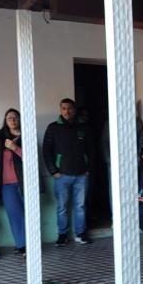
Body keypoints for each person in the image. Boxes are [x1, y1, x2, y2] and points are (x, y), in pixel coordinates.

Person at [43, 98, 91, 246]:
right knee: (62, 207)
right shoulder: (53, 128)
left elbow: (91, 150)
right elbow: (46, 151)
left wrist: (89, 169)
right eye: (63, 108)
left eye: (69, 108)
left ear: (74, 110)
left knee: (80, 207)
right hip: (62, 175)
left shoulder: (83, 127)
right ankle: (62, 235)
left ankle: (80, 234)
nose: (66, 111)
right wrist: (53, 171)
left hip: (81, 175)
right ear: (60, 110)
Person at [0, 108, 26, 256]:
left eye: (15, 117)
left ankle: (32, 243)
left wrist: (15, 148)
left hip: (25, 182)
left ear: (20, 119)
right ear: (5, 121)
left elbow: (31, 158)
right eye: (9, 118)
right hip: (7, 185)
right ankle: (22, 245)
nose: (12, 120)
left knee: (29, 214)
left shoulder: (27, 135)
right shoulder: (0, 139)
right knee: (14, 215)